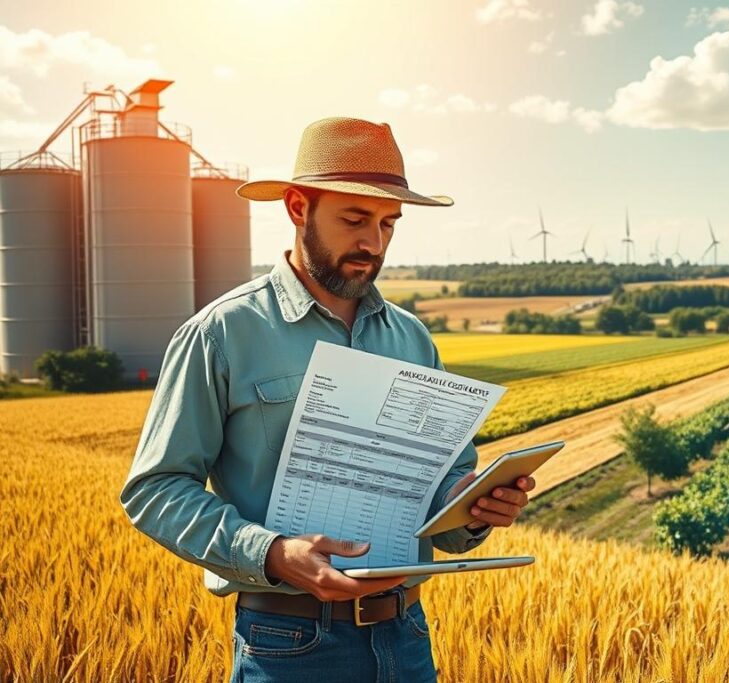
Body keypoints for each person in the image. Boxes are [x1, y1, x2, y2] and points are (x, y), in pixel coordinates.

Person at [120, 117, 536, 682]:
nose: (374, 242)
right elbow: (155, 489)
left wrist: (473, 508)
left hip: (408, 635)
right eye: (355, 219)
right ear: (297, 207)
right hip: (290, 642)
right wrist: (270, 553)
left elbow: (445, 489)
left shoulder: (411, 337)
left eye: (389, 224)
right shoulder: (221, 333)